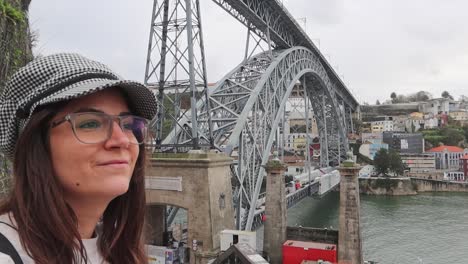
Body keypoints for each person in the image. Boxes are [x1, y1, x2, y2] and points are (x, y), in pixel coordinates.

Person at [0, 53, 158, 263]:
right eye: (90, 123)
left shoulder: (119, 251)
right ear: (35, 145)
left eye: (128, 124)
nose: (121, 140)